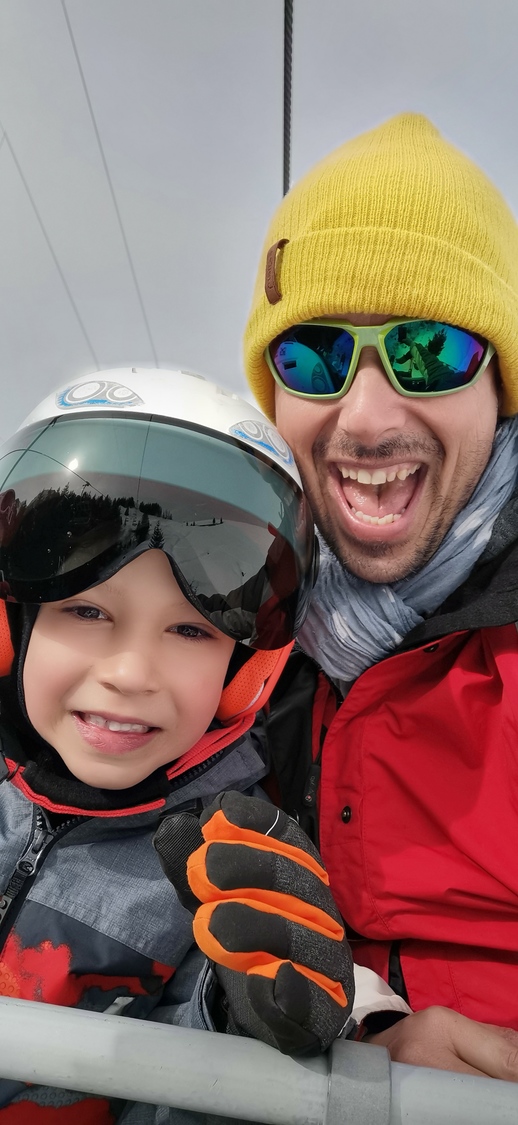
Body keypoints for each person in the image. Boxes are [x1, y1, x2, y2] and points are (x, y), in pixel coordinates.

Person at [0, 367, 355, 1122]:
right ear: (14, 625)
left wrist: (238, 1025)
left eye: (191, 629)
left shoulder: (226, 866)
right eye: (87, 610)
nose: (130, 672)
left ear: (244, 673)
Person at [243, 112, 518, 1080]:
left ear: (499, 390)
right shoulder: (234, 626)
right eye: (312, 354)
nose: (363, 415)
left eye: (428, 352)